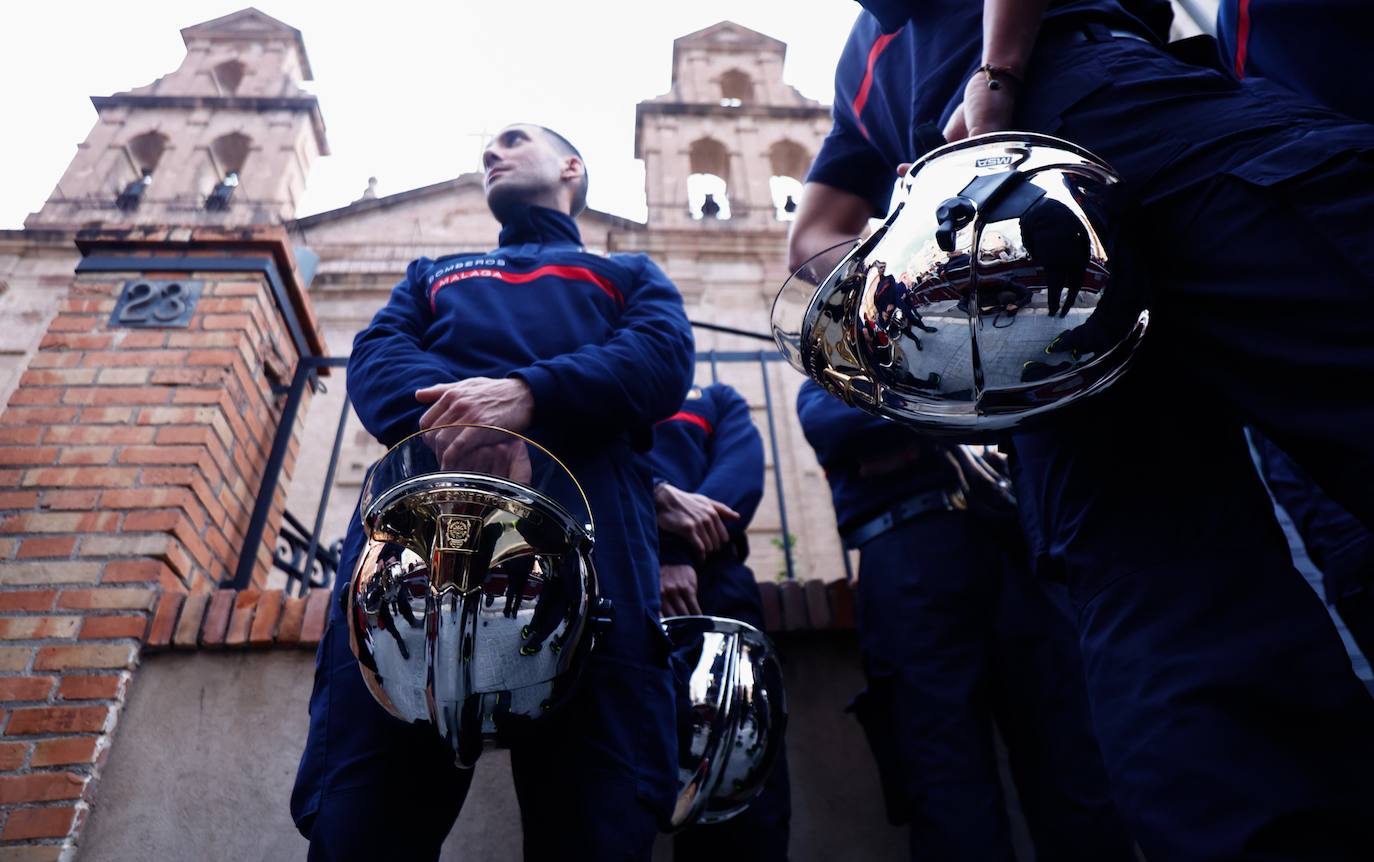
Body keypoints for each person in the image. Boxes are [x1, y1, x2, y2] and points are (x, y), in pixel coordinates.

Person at [789, 7, 1374, 857]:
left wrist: (920, 263)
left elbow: (811, 241)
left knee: (1159, 598)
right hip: (1098, 112)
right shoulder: (898, 56)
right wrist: (999, 75)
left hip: (1001, 278)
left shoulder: (861, 68)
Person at [290, 124, 695, 861]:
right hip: (413, 544)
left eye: (513, 141)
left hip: (598, 540)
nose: (490, 155)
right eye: (486, 150)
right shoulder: (430, 273)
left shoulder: (627, 271)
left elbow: (661, 358)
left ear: (571, 167)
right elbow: (377, 356)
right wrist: (448, 425)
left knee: (597, 813)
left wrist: (527, 396)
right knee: (363, 818)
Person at [795, 379, 1133, 861]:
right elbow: (836, 428)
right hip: (910, 556)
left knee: (1074, 766)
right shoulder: (831, 376)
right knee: (944, 779)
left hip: (1018, 554)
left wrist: (908, 427)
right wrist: (965, 404)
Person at [648, 382, 791, 862]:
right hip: (617, 582)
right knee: (607, 795)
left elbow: (742, 474)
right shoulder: (590, 392)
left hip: (715, 584)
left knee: (739, 781)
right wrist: (662, 548)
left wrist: (680, 550)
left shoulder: (716, 398)